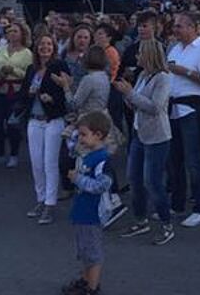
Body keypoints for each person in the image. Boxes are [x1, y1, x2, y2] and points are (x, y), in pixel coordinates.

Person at [115, 38, 174, 246]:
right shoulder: (142, 75)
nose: (137, 56)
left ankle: (166, 224)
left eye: (140, 52)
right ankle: (141, 219)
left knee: (152, 181)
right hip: (139, 132)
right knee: (134, 178)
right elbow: (137, 103)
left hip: (157, 137)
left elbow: (155, 107)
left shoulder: (163, 78)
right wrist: (128, 96)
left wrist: (130, 93)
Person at [166, 11, 200, 228]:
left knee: (195, 160)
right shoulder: (175, 48)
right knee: (175, 159)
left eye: (180, 26)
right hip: (174, 109)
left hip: (193, 109)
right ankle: (177, 203)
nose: (175, 29)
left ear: (194, 27)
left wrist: (184, 72)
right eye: (175, 25)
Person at [20, 33, 69, 224]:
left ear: (54, 47)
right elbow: (22, 94)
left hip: (53, 120)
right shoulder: (31, 69)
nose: (45, 47)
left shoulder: (59, 66)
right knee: (36, 163)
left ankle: (50, 203)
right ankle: (40, 199)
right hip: (34, 119)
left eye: (49, 44)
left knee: (50, 163)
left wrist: (53, 98)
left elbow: (67, 92)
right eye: (42, 44)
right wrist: (29, 93)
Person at [63, 111, 113, 295]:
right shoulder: (88, 154)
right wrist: (72, 133)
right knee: (84, 250)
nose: (81, 139)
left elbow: (102, 185)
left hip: (92, 213)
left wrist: (78, 179)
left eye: (84, 135)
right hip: (82, 210)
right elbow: (72, 147)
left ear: (98, 135)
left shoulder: (102, 159)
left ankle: (92, 287)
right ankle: (85, 280)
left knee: (92, 252)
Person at [0, 21, 33, 168]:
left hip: (16, 92)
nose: (12, 34)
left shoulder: (27, 53)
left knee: (13, 125)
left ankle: (14, 155)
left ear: (22, 34)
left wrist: (13, 70)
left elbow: (29, 74)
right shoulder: (1, 49)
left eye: (15, 31)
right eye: (10, 31)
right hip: (0, 90)